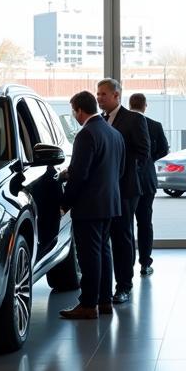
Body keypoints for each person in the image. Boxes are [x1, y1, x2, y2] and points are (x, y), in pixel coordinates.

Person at [59, 90, 125, 320]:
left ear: (79, 110)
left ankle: (88, 305)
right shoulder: (114, 133)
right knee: (104, 253)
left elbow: (80, 174)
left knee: (89, 257)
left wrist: (65, 203)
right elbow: (119, 170)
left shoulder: (86, 134)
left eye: (73, 111)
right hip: (110, 202)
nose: (74, 115)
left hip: (89, 206)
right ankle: (104, 301)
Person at [96, 78, 150, 303]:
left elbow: (143, 151)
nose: (99, 98)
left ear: (117, 96)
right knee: (104, 238)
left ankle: (124, 286)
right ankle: (101, 288)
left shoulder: (133, 119)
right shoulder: (100, 120)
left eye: (103, 94)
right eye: (98, 94)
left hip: (126, 188)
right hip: (104, 189)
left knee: (122, 236)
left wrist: (119, 169)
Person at [129, 92, 169, 277]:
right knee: (145, 223)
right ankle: (145, 263)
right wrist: (149, 160)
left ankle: (126, 264)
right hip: (147, 180)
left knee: (126, 225)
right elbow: (164, 149)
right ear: (145, 106)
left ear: (129, 105)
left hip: (126, 181)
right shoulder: (155, 125)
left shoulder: (123, 124)